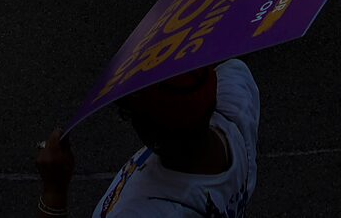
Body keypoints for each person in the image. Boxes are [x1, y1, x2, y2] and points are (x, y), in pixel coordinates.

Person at [36, 64, 259, 216]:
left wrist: (54, 192)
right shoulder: (237, 97)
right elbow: (227, 67)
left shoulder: (142, 211)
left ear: (153, 133)